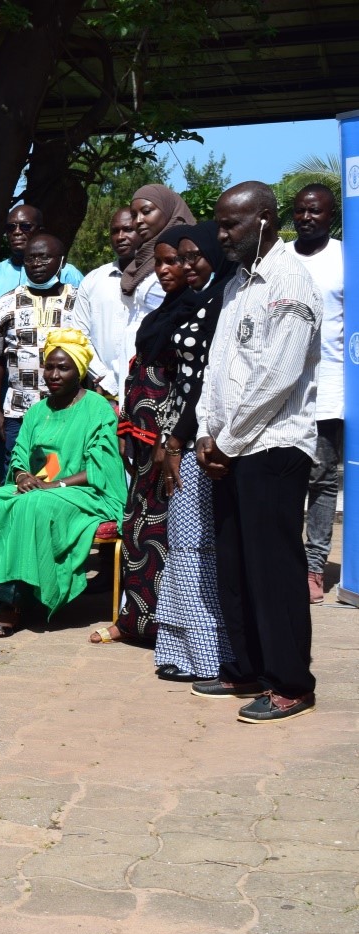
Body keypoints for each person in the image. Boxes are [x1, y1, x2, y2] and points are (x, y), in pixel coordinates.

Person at [192, 182, 323, 723]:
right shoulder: (236, 285)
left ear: (265, 220)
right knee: (236, 566)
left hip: (273, 446)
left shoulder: (291, 282)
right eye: (220, 224)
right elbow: (219, 367)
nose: (221, 235)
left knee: (274, 573)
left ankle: (291, 682)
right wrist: (206, 428)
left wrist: (229, 438)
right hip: (229, 448)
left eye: (231, 225)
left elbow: (277, 376)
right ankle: (247, 667)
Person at [0, 329, 126, 637]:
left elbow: (101, 468)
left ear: (80, 370)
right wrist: (21, 475)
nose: (54, 374)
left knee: (33, 504)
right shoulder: (36, 411)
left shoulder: (98, 409)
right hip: (41, 489)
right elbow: (19, 456)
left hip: (87, 493)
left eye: (64, 367)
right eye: (50, 366)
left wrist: (53, 486)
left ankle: (13, 602)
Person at [89, 227, 191, 647]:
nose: (166, 270)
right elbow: (138, 375)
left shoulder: (201, 311)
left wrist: (173, 440)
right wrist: (129, 429)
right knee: (137, 531)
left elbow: (190, 385)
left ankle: (174, 629)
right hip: (143, 441)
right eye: (161, 262)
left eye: (175, 262)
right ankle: (134, 620)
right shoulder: (160, 313)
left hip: (173, 443)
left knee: (173, 537)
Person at [148, 223, 237, 681]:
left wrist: (177, 441)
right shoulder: (196, 300)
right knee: (183, 547)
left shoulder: (225, 300)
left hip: (204, 436)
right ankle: (182, 650)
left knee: (200, 549)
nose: (185, 267)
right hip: (181, 431)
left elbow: (204, 381)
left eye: (192, 257)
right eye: (179, 259)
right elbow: (151, 346)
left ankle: (212, 655)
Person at [289, 183, 344, 604]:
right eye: (301, 211)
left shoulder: (347, 258)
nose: (307, 218)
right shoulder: (278, 258)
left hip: (330, 389)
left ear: (331, 216)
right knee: (286, 477)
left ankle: (312, 568)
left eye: (316, 212)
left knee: (323, 480)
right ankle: (285, 561)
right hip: (283, 389)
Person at [0, 233, 87, 464]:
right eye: (30, 258)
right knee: (17, 476)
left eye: (44, 258)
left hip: (69, 411)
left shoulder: (79, 301)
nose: (36, 264)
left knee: (61, 473)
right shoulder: (6, 303)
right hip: (18, 413)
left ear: (62, 261)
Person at [71, 208, 148, 398]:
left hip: (147, 387)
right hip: (101, 390)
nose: (120, 236)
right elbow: (80, 335)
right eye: (115, 231)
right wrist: (104, 377)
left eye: (128, 229)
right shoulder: (93, 280)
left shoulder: (157, 280)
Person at [0, 204, 84, 305]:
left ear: (40, 231)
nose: (17, 232)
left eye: (25, 226)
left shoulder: (68, 274)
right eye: (10, 227)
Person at [125, 185, 195, 314]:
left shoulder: (190, 254)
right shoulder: (141, 259)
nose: (138, 221)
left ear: (168, 210)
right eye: (134, 215)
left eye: (146, 211)